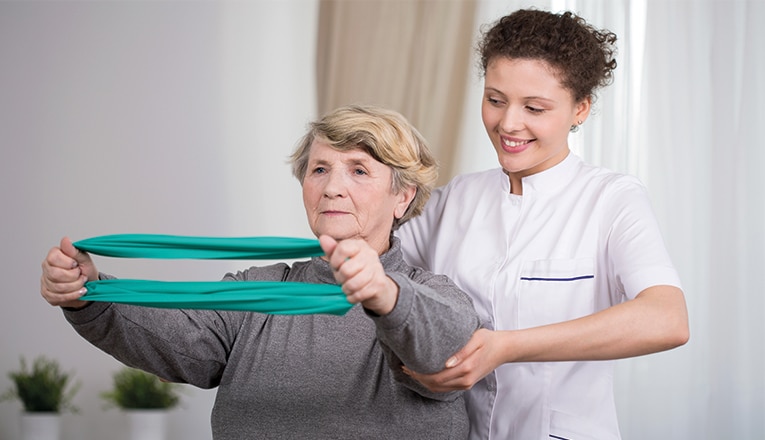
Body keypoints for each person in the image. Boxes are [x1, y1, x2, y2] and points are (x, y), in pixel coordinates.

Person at [40, 104, 481, 439]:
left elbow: (443, 349)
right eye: (319, 169)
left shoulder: (434, 295)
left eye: (359, 170)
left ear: (402, 197)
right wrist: (89, 292)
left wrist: (384, 293)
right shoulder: (260, 286)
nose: (331, 187)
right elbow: (176, 340)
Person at [396, 9, 690, 440]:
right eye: (495, 100)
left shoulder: (611, 199)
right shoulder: (455, 199)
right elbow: (370, 269)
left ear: (581, 109)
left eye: (534, 107)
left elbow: (667, 319)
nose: (508, 123)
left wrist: (506, 347)